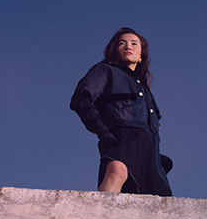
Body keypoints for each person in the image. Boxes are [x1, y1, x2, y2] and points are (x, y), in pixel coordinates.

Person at [70, 27, 173, 195]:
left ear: (141, 55)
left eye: (134, 44)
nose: (128, 47)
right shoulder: (105, 72)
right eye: (122, 43)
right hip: (121, 139)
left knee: (160, 201)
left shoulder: (146, 90)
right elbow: (81, 99)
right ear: (114, 51)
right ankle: (98, 218)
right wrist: (102, 132)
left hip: (149, 150)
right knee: (117, 170)